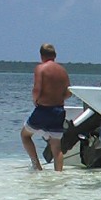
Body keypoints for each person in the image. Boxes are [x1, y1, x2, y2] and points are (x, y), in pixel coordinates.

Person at [21, 43, 72, 171]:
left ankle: (37, 166)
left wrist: (35, 100)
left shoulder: (40, 68)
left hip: (44, 109)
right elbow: (69, 92)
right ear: (54, 55)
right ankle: (58, 175)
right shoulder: (62, 71)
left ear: (41, 56)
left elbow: (37, 89)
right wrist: (58, 99)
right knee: (57, 148)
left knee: (25, 135)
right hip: (59, 111)